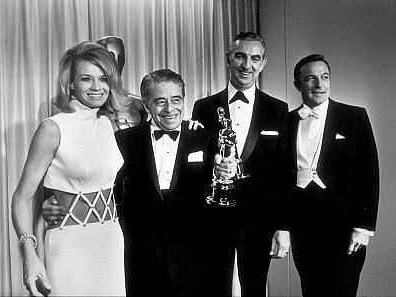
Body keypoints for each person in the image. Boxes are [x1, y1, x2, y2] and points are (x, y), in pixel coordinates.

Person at [11, 41, 128, 296]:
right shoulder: (52, 128)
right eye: (87, 79)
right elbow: (21, 197)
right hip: (68, 244)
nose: (97, 87)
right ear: (71, 83)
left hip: (111, 240)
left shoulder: (109, 125)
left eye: (103, 79)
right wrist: (29, 255)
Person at [191, 32, 290, 296]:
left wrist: (283, 227)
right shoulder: (203, 107)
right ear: (228, 59)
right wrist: (212, 166)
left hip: (260, 221)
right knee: (213, 287)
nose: (247, 65)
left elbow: (284, 173)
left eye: (255, 58)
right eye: (240, 56)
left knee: (255, 289)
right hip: (214, 218)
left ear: (264, 63)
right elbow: (194, 165)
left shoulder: (278, 110)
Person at [283, 54, 379, 296]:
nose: (319, 84)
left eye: (324, 77)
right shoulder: (287, 121)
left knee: (343, 290)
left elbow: (368, 174)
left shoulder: (354, 117)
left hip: (344, 225)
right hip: (303, 225)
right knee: (311, 289)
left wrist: (363, 227)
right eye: (311, 79)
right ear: (298, 84)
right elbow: (280, 178)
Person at [113, 69, 216, 296]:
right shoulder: (124, 141)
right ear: (146, 104)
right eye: (160, 101)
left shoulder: (204, 138)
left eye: (176, 100)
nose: (170, 109)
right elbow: (111, 194)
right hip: (142, 260)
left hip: (193, 261)